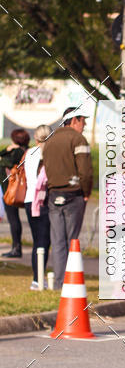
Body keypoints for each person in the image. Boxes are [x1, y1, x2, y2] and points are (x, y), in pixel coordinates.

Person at [43, 108, 93, 289]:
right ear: (74, 121)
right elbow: (85, 172)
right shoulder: (78, 139)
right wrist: (87, 192)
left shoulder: (50, 140)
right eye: (83, 121)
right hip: (74, 195)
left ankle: (58, 282)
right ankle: (70, 282)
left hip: (54, 194)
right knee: (72, 240)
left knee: (57, 241)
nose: (84, 125)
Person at [23, 125, 52, 289]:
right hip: (43, 201)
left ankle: (37, 277)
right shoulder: (50, 154)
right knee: (44, 242)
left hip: (29, 199)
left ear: (36, 138)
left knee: (37, 241)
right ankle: (38, 278)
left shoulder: (29, 153)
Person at [0, 128, 31, 258]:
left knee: (13, 220)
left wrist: (7, 150)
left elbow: (3, 161)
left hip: (11, 190)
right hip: (24, 188)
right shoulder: (28, 151)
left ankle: (16, 248)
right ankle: (17, 247)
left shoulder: (15, 152)